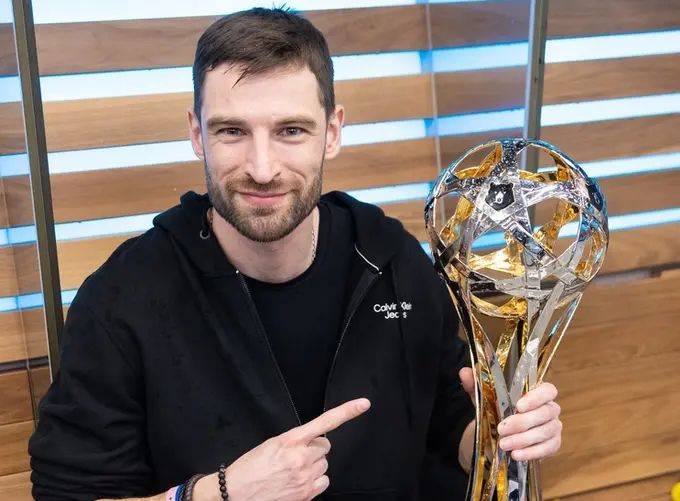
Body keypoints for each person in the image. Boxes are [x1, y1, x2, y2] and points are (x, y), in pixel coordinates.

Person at [28, 7, 562, 501]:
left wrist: (497, 437)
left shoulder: (393, 261)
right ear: (196, 134)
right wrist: (220, 493)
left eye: (290, 131)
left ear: (331, 132)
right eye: (232, 131)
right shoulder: (123, 300)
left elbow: (449, 425)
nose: (262, 168)